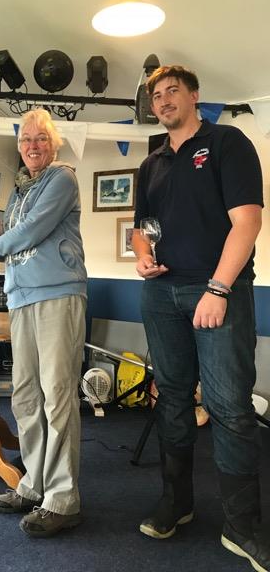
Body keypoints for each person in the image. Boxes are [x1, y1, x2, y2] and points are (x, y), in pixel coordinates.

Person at [132, 65, 269, 571]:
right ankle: (177, 503)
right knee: (170, 397)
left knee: (229, 405)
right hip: (160, 294)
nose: (164, 100)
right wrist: (142, 253)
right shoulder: (152, 164)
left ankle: (243, 526)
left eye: (173, 91)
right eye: (157, 95)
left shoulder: (228, 142)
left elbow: (247, 221)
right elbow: (141, 227)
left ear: (194, 96)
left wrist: (218, 287)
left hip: (218, 292)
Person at [0, 108, 87, 538]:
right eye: (26, 139)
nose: (32, 146)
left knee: (58, 395)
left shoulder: (62, 178)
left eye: (41, 139)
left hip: (58, 295)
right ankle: (34, 485)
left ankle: (63, 499)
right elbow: (16, 237)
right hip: (21, 299)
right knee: (25, 396)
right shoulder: (17, 189)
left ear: (54, 143)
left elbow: (29, 232)